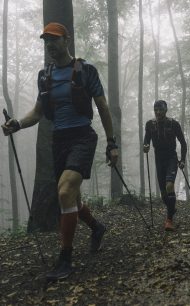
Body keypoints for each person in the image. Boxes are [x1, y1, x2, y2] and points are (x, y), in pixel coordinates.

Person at [1, 22, 118, 281]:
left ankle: (65, 259)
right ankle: (97, 227)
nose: (50, 45)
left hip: (83, 137)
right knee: (72, 200)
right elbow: (38, 112)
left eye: (54, 39)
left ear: (67, 40)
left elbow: (102, 106)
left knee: (64, 191)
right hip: (59, 140)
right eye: (46, 41)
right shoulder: (46, 76)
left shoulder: (85, 71)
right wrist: (17, 123)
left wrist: (112, 143)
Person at [143, 100, 187, 231]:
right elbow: (146, 141)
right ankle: (172, 208)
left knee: (169, 185)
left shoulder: (173, 124)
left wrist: (182, 160)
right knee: (163, 194)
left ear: (165, 110)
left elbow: (183, 143)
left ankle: (169, 220)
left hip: (171, 158)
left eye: (160, 109)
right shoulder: (150, 124)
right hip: (159, 159)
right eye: (156, 109)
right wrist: (145, 147)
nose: (158, 112)